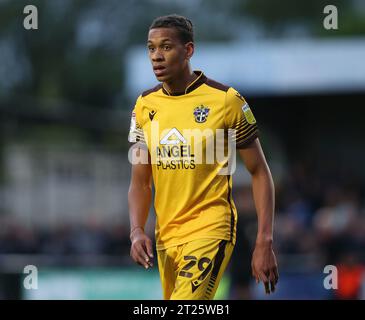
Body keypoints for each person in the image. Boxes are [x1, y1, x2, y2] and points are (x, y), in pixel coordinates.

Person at [128, 14, 278, 300]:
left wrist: (264, 240)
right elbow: (140, 183)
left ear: (188, 50)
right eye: (151, 48)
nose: (156, 56)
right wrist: (136, 231)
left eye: (166, 47)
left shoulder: (226, 100)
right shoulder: (144, 105)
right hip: (166, 237)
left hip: (211, 228)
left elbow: (259, 171)